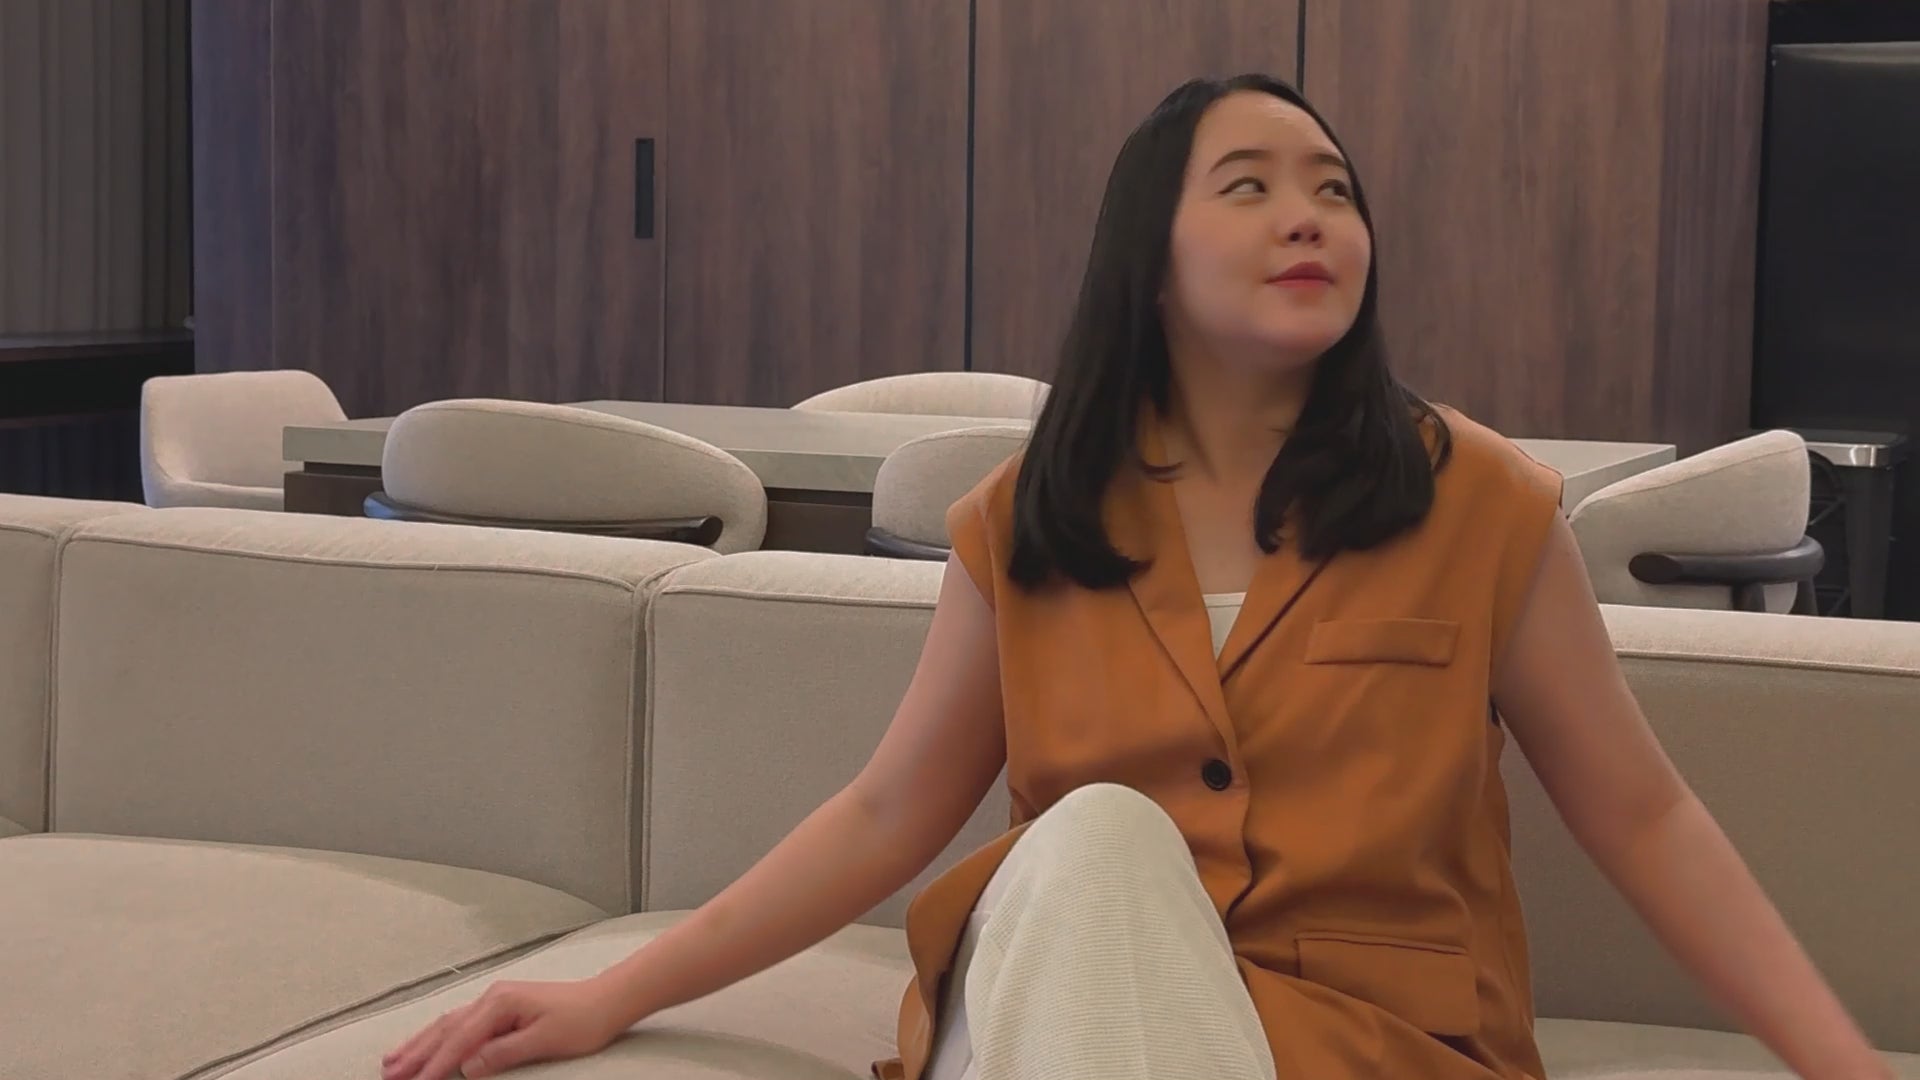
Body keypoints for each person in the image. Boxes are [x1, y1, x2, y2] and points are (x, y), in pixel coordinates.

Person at [381, 74, 1892, 1080]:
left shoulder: (1483, 504)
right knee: (1099, 836)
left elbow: (1642, 814)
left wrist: (1839, 1063)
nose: (1308, 214)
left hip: (1376, 1047)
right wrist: (614, 993)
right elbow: (886, 814)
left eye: (1334, 189)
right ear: (1150, 264)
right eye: (1248, 185)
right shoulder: (1026, 522)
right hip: (1061, 1008)